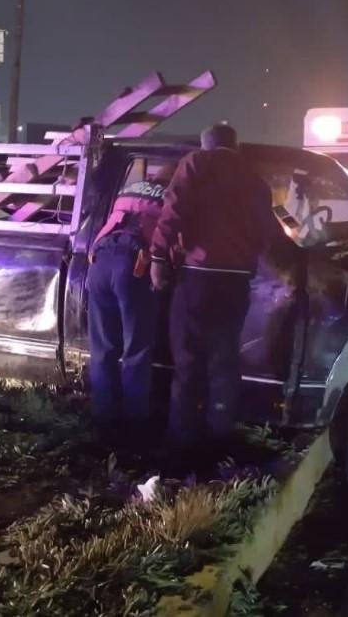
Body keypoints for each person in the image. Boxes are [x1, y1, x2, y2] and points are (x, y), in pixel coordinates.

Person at [150, 123, 275, 458]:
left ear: (205, 145)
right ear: (235, 145)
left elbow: (173, 210)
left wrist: (158, 257)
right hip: (235, 281)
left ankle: (183, 440)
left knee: (188, 361)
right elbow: (268, 231)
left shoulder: (196, 163)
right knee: (224, 362)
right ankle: (219, 438)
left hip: (197, 276)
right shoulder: (253, 177)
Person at [86, 160, 174, 431]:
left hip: (99, 262)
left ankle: (104, 417)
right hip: (134, 265)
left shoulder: (130, 189)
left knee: (103, 348)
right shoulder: (170, 196)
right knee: (136, 349)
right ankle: (135, 422)